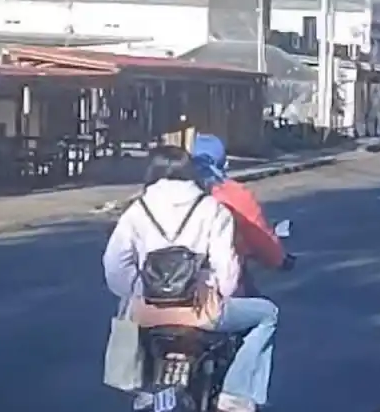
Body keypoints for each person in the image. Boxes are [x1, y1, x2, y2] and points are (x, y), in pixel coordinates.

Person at [102, 145, 279, 412]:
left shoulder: (136, 211)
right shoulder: (212, 209)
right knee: (267, 314)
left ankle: (141, 387)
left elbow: (114, 266)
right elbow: (228, 274)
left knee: (126, 313)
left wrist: (140, 291)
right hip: (200, 312)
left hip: (148, 314)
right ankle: (235, 393)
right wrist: (213, 292)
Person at [191, 133, 293, 297]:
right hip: (218, 284)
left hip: (163, 284)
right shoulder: (231, 193)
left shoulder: (166, 193)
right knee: (266, 314)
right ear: (223, 162)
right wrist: (279, 260)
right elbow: (257, 234)